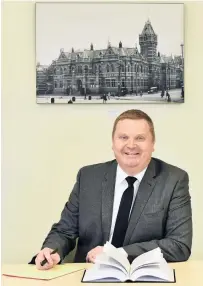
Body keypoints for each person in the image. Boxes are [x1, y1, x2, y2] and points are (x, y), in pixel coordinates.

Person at [30, 109, 192, 270]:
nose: (131, 145)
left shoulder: (174, 180)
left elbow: (179, 245)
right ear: (113, 143)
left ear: (153, 144)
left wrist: (117, 254)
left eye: (140, 138)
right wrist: (52, 250)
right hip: (89, 275)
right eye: (123, 137)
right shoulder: (88, 177)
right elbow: (65, 231)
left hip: (144, 277)